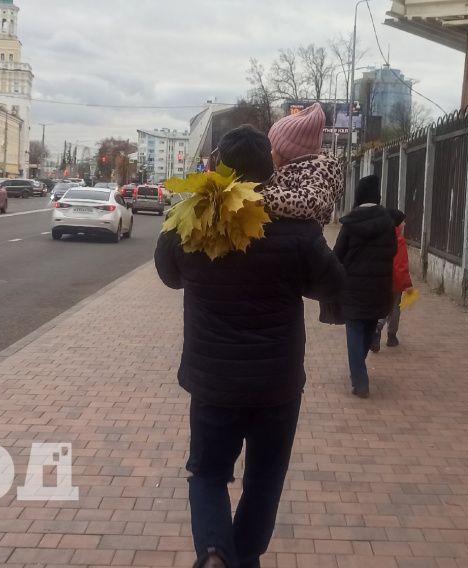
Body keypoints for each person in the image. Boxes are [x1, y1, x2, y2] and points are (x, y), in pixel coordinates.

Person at [155, 125, 345, 568]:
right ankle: (243, 557)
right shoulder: (297, 231)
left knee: (206, 473)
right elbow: (333, 285)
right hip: (276, 385)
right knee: (264, 480)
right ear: (271, 170)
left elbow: (169, 274)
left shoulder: (191, 221)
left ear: (219, 168)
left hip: (213, 381)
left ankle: (216, 553)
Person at [332, 175, 397, 398]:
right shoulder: (388, 223)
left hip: (353, 287)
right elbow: (393, 252)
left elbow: (337, 255)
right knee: (369, 326)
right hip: (379, 287)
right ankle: (359, 371)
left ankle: (360, 380)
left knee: (355, 329)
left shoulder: (351, 224)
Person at [261, 103, 343, 225]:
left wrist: (262, 197)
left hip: (299, 242)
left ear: (287, 156)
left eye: (274, 148)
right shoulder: (288, 170)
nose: (270, 153)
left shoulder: (316, 172)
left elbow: (311, 201)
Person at [372, 208, 412, 351]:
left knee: (382, 306)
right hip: (394, 282)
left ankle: (376, 328)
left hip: (381, 280)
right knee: (394, 308)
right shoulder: (399, 240)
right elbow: (400, 266)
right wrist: (407, 284)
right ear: (396, 224)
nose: (405, 224)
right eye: (402, 222)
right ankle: (391, 335)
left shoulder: (380, 237)